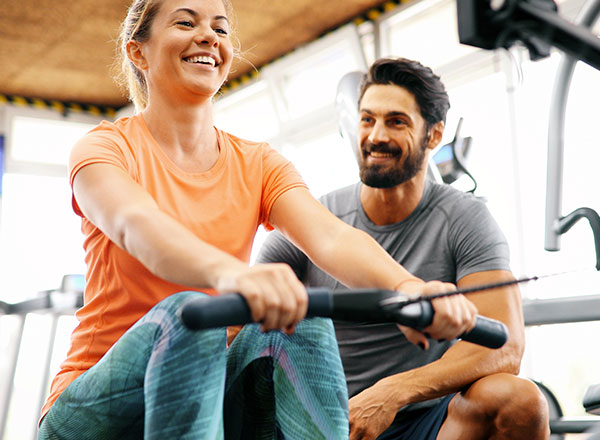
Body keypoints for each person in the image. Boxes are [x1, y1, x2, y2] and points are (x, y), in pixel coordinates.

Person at [37, 2, 480, 438]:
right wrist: (232, 276)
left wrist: (409, 289)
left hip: (211, 394)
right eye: (186, 22)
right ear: (138, 53)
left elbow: (328, 235)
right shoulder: (105, 149)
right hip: (93, 409)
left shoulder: (259, 163)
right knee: (192, 314)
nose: (209, 36)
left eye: (221, 28)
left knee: (299, 314)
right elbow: (136, 224)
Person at [257, 57, 550, 440]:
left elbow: (507, 345)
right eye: (367, 119)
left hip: (427, 420)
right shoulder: (313, 221)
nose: (376, 135)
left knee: (520, 400)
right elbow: (240, 331)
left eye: (396, 121)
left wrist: (393, 392)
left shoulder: (465, 219)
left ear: (433, 135)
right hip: (329, 422)